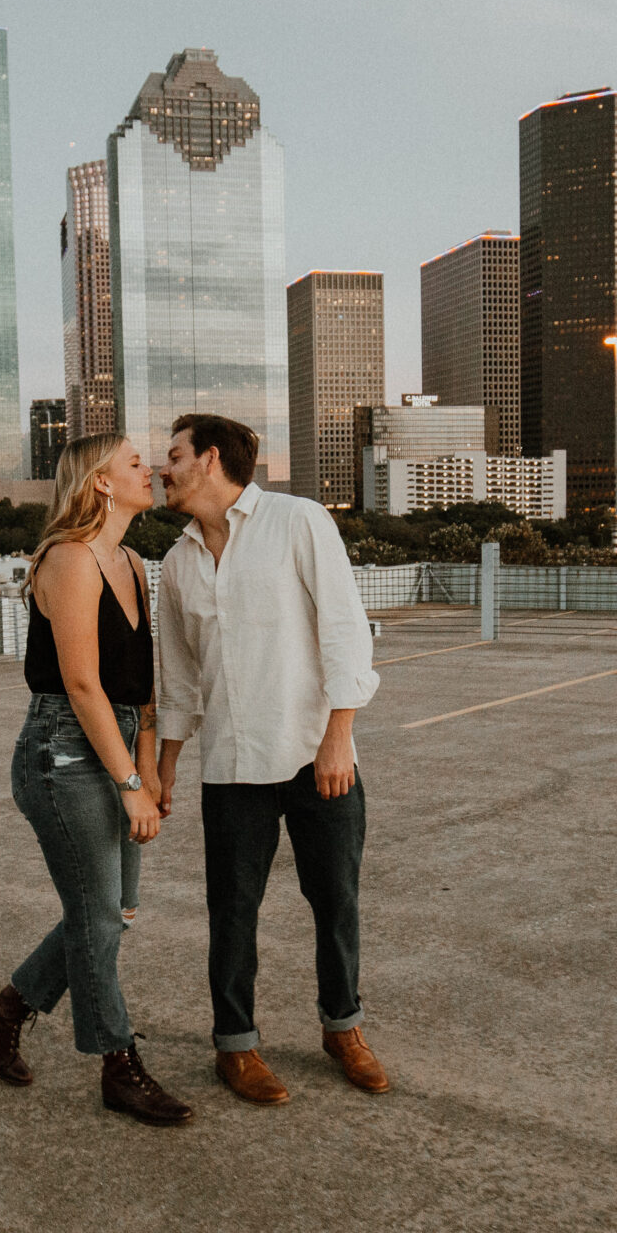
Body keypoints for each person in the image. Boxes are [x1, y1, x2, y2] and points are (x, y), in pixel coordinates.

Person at [153, 412, 389, 1105]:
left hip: (316, 755)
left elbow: (344, 627)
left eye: (172, 454)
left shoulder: (298, 520)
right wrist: (167, 765)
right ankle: (237, 1046)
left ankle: (342, 1028)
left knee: (336, 900)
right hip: (231, 762)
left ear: (211, 459)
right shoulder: (176, 563)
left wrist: (338, 734)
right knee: (231, 910)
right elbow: (179, 680)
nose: (162, 467)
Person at [0, 433, 194, 1127]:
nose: (147, 469)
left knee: (113, 909)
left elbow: (140, 688)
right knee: (95, 913)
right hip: (62, 751)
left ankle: (4, 1009)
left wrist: (149, 769)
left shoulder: (132, 562)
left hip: (117, 742)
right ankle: (117, 1064)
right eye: (131, 462)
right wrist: (127, 782)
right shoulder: (69, 559)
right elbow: (82, 681)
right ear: (98, 482)